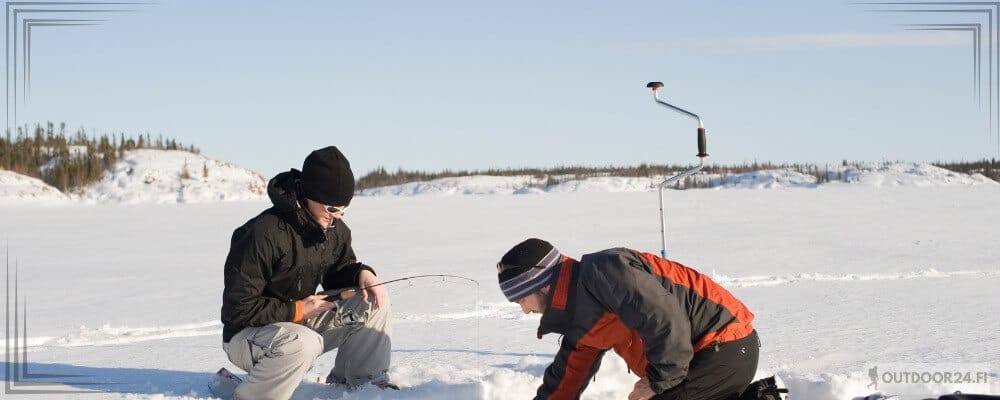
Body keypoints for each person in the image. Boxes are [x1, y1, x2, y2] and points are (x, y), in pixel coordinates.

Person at [220, 146, 395, 400]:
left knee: (372, 301)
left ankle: (361, 386)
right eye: (331, 208)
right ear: (309, 194)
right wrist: (298, 310)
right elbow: (238, 309)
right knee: (302, 344)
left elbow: (337, 273)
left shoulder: (334, 229)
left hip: (298, 319)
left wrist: (361, 274)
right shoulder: (261, 234)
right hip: (246, 334)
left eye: (343, 210)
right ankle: (251, 396)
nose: (336, 217)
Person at [497, 238, 759, 400]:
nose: (524, 310)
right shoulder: (580, 324)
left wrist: (659, 381)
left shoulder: (604, 271)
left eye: (521, 299)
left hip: (724, 345)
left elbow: (665, 320)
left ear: (541, 284)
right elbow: (564, 384)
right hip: (706, 360)